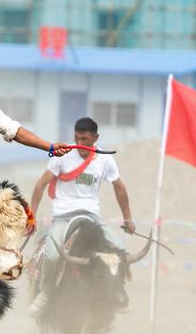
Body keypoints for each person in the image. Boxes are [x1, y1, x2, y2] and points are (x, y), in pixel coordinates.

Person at [27, 117, 136, 313]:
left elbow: (119, 188)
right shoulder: (62, 155)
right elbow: (40, 185)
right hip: (63, 217)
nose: (80, 144)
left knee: (120, 250)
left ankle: (119, 293)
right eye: (77, 139)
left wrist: (128, 219)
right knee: (52, 256)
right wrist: (31, 215)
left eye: (85, 140)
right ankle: (46, 292)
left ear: (96, 138)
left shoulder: (105, 159)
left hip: (92, 217)